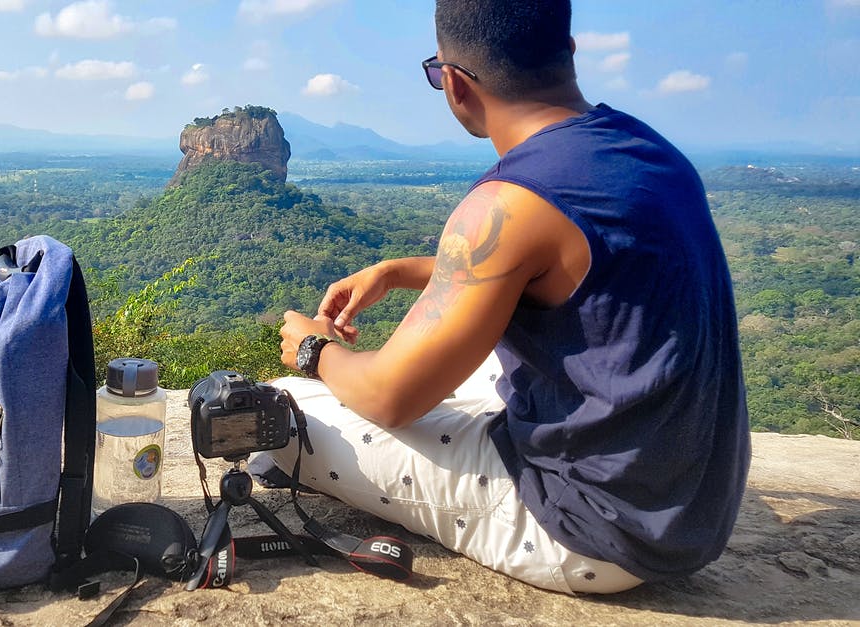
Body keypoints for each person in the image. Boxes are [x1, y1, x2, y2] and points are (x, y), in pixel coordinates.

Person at [258, 0, 750, 594]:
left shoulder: (507, 202)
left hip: (589, 530)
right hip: (685, 504)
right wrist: (401, 270)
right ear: (567, 53)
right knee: (466, 348)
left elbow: (390, 399)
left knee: (275, 412)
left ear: (456, 84)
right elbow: (566, 266)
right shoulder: (647, 150)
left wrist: (315, 350)